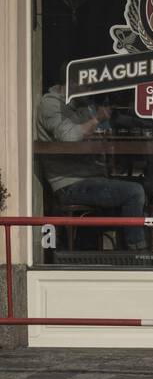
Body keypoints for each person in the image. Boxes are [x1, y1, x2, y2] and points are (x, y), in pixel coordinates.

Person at [35, 74, 147, 250]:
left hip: (93, 177)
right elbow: (69, 137)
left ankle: (125, 251)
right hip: (70, 183)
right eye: (87, 86)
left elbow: (98, 133)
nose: (91, 91)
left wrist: (102, 130)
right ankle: (137, 253)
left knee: (146, 185)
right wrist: (97, 119)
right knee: (134, 192)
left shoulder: (82, 106)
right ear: (71, 83)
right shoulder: (51, 104)